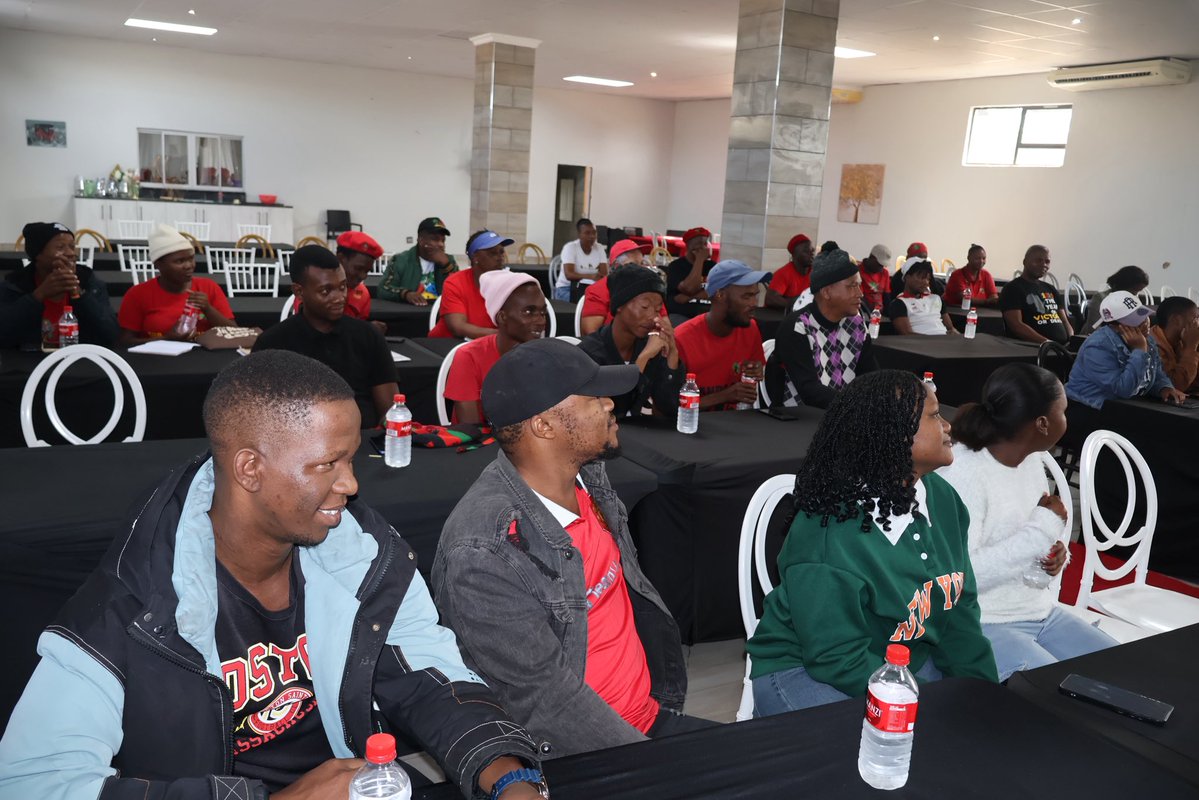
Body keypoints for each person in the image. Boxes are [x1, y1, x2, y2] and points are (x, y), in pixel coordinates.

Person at [0, 350, 545, 800]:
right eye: (326, 464)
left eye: (351, 459)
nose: (351, 484)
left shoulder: (360, 554)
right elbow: (36, 783)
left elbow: (430, 671)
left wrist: (506, 770)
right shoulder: (130, 603)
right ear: (249, 469)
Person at [432, 338, 709, 758]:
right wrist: (653, 764)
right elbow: (545, 705)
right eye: (595, 396)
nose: (611, 405)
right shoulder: (483, 553)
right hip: (585, 752)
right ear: (544, 426)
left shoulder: (590, 478)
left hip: (650, 715)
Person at [747, 370, 998, 713]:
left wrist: (983, 693)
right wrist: (926, 705)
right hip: (805, 670)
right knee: (907, 748)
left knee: (976, 728)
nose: (948, 425)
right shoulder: (828, 532)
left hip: (901, 661)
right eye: (934, 415)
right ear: (894, 432)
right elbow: (835, 656)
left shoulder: (943, 499)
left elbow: (959, 612)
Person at [939, 363, 1118, 681]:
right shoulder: (963, 472)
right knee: (1062, 698)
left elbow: (1030, 533)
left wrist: (1054, 553)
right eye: (1063, 410)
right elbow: (962, 576)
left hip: (1039, 610)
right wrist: (1043, 529)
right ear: (1043, 424)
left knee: (1123, 670)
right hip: (982, 621)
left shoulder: (1031, 459)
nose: (1068, 418)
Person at [253, 245, 399, 427]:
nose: (339, 297)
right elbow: (261, 417)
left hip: (364, 442)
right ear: (299, 291)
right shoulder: (272, 343)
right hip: (299, 446)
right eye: (325, 291)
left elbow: (392, 412)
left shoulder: (368, 336)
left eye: (342, 287)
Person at [764, 248, 877, 409]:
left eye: (859, 285)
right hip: (799, 419)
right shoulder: (798, 327)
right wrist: (856, 405)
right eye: (852, 286)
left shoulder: (856, 324)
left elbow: (870, 375)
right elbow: (809, 391)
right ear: (826, 292)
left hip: (842, 413)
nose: (860, 294)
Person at [445, 271, 547, 424]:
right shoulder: (469, 357)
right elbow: (471, 428)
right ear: (502, 317)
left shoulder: (545, 355)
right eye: (528, 312)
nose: (540, 321)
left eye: (542, 312)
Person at [579, 265, 683, 417]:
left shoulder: (650, 345)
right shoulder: (590, 352)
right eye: (645, 306)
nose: (652, 317)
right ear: (619, 305)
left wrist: (673, 355)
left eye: (657, 309)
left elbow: (669, 408)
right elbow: (617, 411)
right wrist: (642, 359)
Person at [0, 221, 119, 349]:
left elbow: (111, 335)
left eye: (72, 247)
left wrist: (78, 293)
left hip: (80, 361)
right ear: (38, 254)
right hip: (28, 363)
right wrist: (37, 296)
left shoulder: (89, 282)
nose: (70, 253)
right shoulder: (15, 285)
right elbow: (4, 334)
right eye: (60, 247)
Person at [1065, 290, 1186, 410]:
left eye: (1144, 315)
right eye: (1136, 320)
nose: (1145, 322)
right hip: (1091, 408)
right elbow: (1123, 390)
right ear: (1115, 326)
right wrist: (1139, 351)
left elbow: (1155, 373)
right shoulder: (1098, 347)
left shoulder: (1146, 339)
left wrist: (1164, 388)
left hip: (1126, 404)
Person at [118, 224, 235, 345]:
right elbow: (124, 342)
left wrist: (208, 309)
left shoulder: (209, 287)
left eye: (191, 258)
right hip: (157, 361)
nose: (189, 265)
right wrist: (166, 339)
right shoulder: (137, 294)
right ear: (158, 264)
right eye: (180, 261)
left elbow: (234, 332)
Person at [674, 260, 768, 410]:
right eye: (746, 296)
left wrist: (756, 370)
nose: (754, 303)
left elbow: (754, 368)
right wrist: (724, 396)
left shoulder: (750, 329)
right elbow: (669, 407)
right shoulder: (682, 339)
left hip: (735, 424)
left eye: (755, 295)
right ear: (720, 295)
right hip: (692, 426)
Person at [429, 230, 511, 339]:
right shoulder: (455, 283)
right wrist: (503, 335)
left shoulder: (509, 284)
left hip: (487, 345)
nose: (500, 257)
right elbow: (458, 328)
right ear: (475, 257)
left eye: (501, 252)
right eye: (492, 253)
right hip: (447, 346)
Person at [578, 239, 665, 336]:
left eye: (642, 264)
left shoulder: (650, 290)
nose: (640, 269)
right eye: (633, 265)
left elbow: (665, 328)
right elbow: (591, 334)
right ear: (616, 266)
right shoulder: (598, 290)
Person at [999, 245, 1073, 344]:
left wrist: (1072, 341)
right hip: (1034, 349)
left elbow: (1065, 321)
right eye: (1038, 260)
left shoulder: (1050, 288)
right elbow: (1016, 326)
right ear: (1025, 262)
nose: (1044, 265)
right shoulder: (1012, 288)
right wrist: (1048, 343)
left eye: (1047, 262)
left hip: (1061, 349)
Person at [378, 216, 457, 305]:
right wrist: (406, 294)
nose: (441, 244)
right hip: (411, 315)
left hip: (439, 315)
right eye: (435, 239)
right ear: (421, 240)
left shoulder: (449, 260)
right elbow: (383, 289)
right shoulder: (401, 260)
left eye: (443, 240)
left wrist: (446, 266)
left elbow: (459, 290)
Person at [888, 258, 957, 336]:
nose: (926, 282)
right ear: (907, 277)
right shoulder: (899, 303)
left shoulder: (936, 299)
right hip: (920, 345)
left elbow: (951, 329)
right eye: (921, 277)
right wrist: (936, 340)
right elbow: (906, 334)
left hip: (944, 341)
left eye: (928, 279)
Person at [1079, 265, 1150, 335]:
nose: (1135, 294)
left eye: (1139, 291)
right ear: (1124, 285)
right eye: (1134, 290)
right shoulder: (1100, 299)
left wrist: (1145, 322)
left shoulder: (1132, 298)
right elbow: (1093, 329)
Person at [665, 226, 717, 318]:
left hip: (708, 315)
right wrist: (699, 260)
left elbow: (717, 293)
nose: (703, 248)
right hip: (681, 314)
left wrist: (689, 297)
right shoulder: (675, 266)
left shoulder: (712, 266)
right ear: (688, 246)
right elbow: (689, 289)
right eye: (698, 244)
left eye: (705, 243)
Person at [1150, 295, 1199, 393]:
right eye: (1195, 319)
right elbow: (1174, 385)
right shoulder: (1152, 345)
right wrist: (1190, 348)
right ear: (1176, 320)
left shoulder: (1180, 342)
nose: (1197, 324)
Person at [335, 230, 384, 325]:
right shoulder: (316, 288)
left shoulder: (363, 294)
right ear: (341, 259)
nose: (363, 276)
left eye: (367, 271)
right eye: (358, 268)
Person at [552, 218, 607, 301]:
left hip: (590, 289)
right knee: (588, 303)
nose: (592, 236)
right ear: (579, 234)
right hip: (566, 289)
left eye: (594, 233)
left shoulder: (599, 248)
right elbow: (569, 275)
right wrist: (591, 276)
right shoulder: (570, 248)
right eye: (587, 233)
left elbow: (603, 274)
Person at [764, 233, 814, 310]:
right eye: (806, 251)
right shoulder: (783, 273)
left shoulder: (815, 272)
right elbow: (770, 299)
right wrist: (797, 303)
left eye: (812, 251)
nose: (811, 254)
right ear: (794, 254)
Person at [943, 244, 999, 308]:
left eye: (984, 258)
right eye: (977, 258)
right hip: (956, 313)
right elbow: (965, 299)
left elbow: (994, 298)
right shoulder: (957, 275)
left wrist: (992, 301)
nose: (981, 261)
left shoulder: (986, 275)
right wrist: (987, 301)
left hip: (979, 313)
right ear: (968, 258)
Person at [857, 243, 892, 312]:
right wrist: (870, 314)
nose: (881, 268)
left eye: (883, 265)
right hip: (864, 312)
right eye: (880, 264)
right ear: (872, 258)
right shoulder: (858, 272)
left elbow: (886, 296)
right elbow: (860, 298)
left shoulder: (884, 273)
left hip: (880, 314)